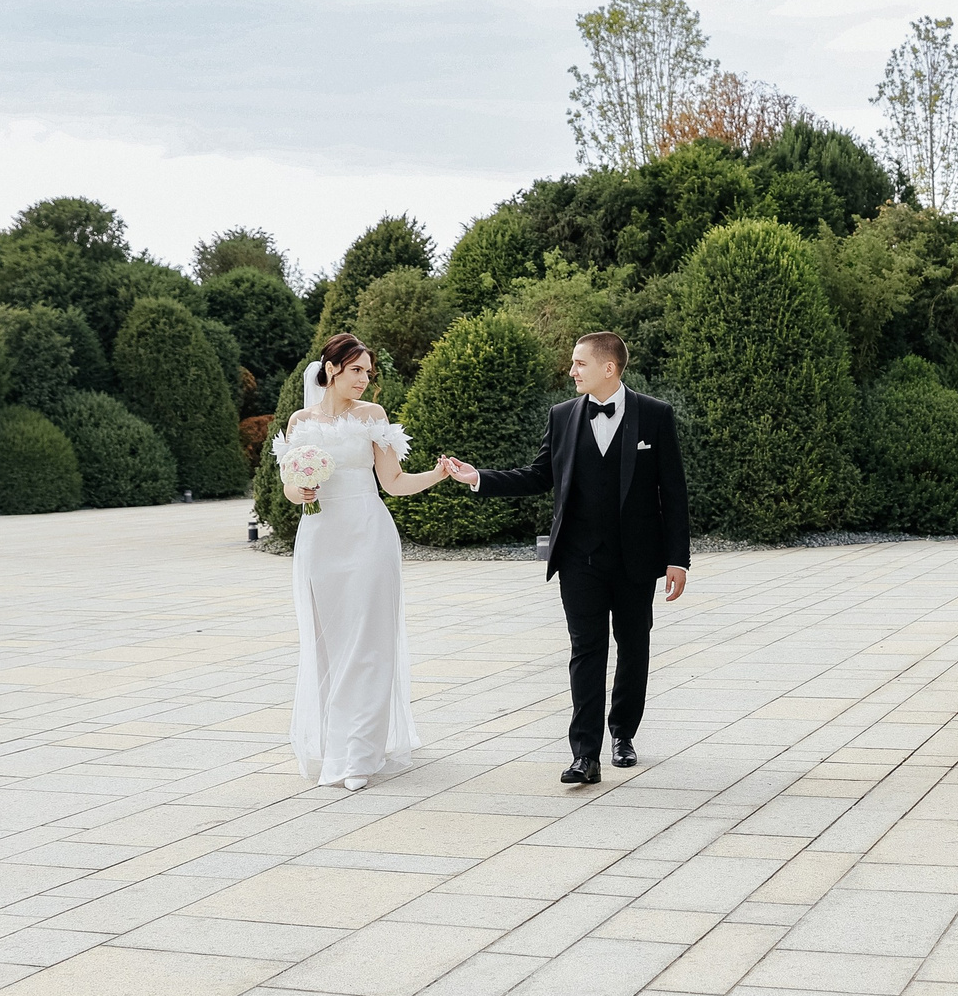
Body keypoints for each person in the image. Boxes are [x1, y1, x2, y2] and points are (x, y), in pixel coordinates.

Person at [438, 331, 690, 785]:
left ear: (608, 368)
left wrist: (678, 558)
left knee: (634, 648)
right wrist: (480, 478)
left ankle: (623, 734)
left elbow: (672, 491)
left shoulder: (655, 415)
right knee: (586, 650)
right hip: (579, 558)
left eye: (579, 363)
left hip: (636, 559)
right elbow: (539, 475)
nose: (571, 371)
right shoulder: (562, 416)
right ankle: (584, 755)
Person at [271, 332, 452, 789]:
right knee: (330, 644)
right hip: (320, 538)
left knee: (369, 643)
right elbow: (290, 487)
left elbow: (392, 481)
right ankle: (337, 745)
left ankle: (360, 756)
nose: (365, 380)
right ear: (331, 370)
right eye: (356, 370)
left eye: (368, 372)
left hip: (369, 534)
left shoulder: (373, 416)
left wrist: (437, 473)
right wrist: (300, 490)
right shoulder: (299, 421)